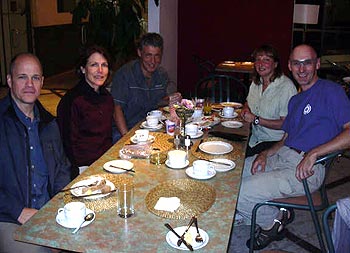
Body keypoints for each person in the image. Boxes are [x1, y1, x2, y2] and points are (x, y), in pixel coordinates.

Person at [235, 44, 350, 250]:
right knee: (230, 176)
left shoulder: (331, 92)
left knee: (242, 191)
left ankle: (273, 222)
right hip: (282, 156)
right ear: (290, 65)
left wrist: (315, 152)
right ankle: (254, 212)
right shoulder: (296, 100)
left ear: (317, 64)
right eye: (297, 63)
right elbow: (285, 139)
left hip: (307, 169)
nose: (302, 68)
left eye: (307, 62)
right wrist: (265, 153)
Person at [0, 53, 71, 252]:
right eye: (22, 77)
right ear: (9, 80)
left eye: (35, 78)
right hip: (9, 216)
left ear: (42, 82)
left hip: (48, 211)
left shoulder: (49, 123)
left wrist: (59, 203)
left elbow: (62, 167)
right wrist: (18, 211)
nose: (29, 84)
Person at [57, 45, 114, 179]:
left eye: (104, 65)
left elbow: (107, 136)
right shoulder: (72, 101)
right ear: (83, 69)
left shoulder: (107, 98)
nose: (100, 71)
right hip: (83, 168)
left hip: (106, 162)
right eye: (94, 65)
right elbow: (68, 145)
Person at [111, 32, 181, 141]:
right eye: (148, 55)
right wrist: (126, 138)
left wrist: (172, 99)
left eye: (157, 56)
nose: (153, 61)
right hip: (124, 129)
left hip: (150, 128)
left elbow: (158, 101)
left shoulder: (162, 75)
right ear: (140, 53)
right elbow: (116, 109)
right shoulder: (125, 74)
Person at [241, 44, 297, 157]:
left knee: (239, 163)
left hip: (276, 143)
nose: (261, 64)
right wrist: (246, 109)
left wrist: (256, 120)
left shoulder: (286, 87)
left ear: (275, 64)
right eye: (258, 60)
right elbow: (248, 102)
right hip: (254, 137)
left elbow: (287, 124)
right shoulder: (256, 82)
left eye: (266, 60)